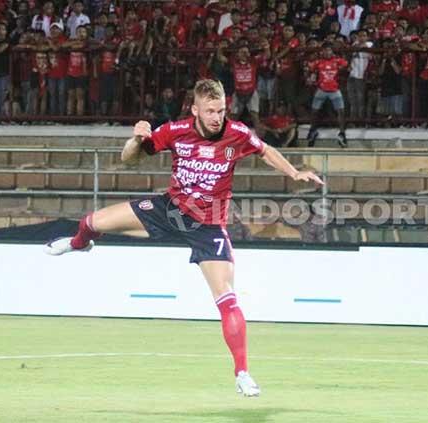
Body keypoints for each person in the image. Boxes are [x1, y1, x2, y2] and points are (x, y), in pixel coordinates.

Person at [44, 79, 324, 397]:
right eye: (210, 111)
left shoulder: (238, 134)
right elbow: (129, 159)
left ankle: (242, 372)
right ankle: (79, 244)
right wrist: (136, 139)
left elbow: (267, 151)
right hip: (169, 209)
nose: (218, 116)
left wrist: (294, 173)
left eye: (221, 110)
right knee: (91, 221)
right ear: (195, 110)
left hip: (208, 226)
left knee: (227, 299)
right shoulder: (175, 131)